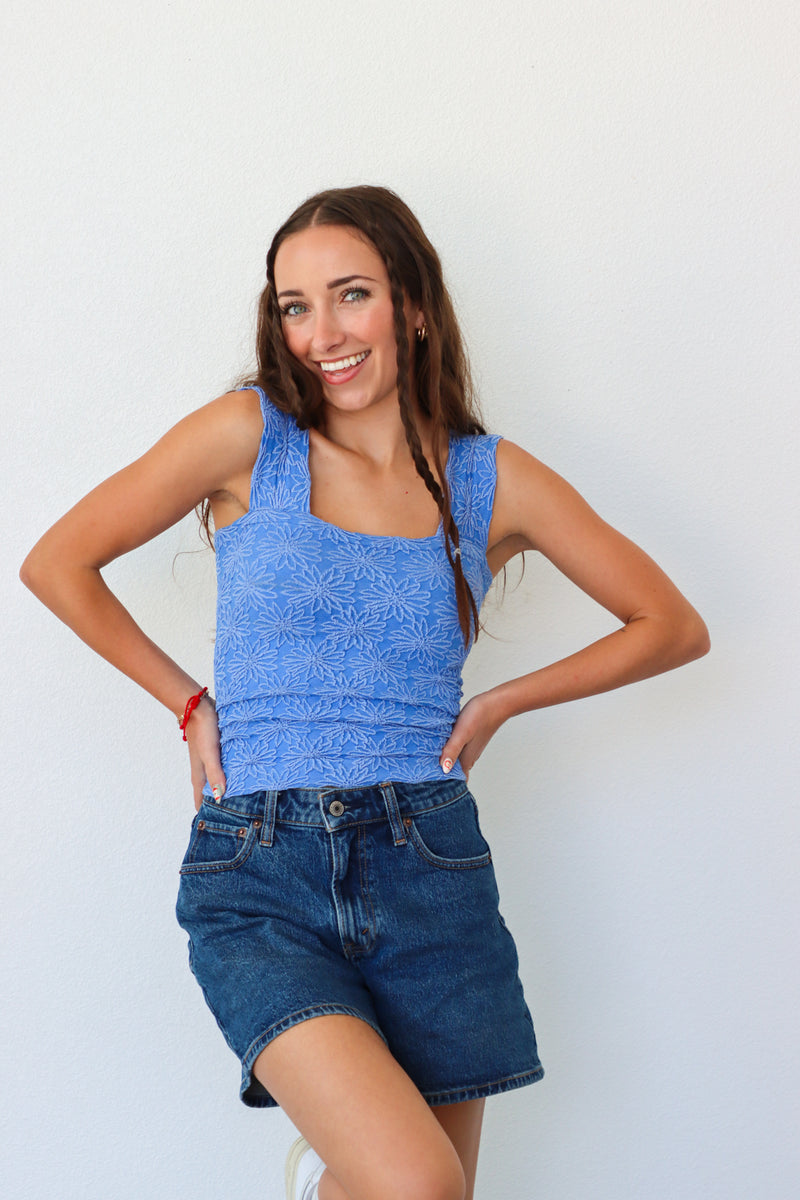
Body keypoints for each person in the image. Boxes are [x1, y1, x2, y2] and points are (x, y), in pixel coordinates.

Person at [20, 185, 709, 1200]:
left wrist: (498, 702)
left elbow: (670, 625)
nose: (322, 334)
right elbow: (57, 562)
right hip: (259, 869)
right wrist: (186, 700)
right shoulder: (247, 436)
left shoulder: (486, 480)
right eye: (294, 306)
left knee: (430, 1194)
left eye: (350, 296)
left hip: (428, 864)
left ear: (412, 305)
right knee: (413, 1185)